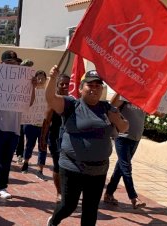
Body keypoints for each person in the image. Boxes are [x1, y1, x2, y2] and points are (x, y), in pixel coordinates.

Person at [46, 66, 129, 226]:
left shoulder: (107, 108)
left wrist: (117, 120)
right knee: (68, 206)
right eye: (90, 85)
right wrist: (52, 79)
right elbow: (51, 99)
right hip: (72, 167)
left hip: (98, 170)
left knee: (90, 210)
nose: (94, 89)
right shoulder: (71, 105)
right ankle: (54, 220)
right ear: (81, 87)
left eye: (98, 85)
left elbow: (125, 127)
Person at [0, 50, 37, 203]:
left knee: (6, 161)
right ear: (2, 64)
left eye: (15, 62)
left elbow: (29, 103)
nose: (12, 65)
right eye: (9, 62)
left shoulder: (24, 80)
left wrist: (32, 87)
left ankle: (1, 187)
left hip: (14, 128)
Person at [104, 94, 147, 209]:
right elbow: (112, 105)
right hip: (122, 136)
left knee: (120, 167)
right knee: (126, 166)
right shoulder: (126, 93)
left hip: (136, 137)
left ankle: (108, 194)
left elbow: (158, 112)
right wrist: (122, 90)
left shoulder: (146, 96)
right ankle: (133, 197)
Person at [39, 73, 70, 200]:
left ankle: (68, 189)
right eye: (61, 84)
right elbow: (46, 121)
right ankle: (59, 192)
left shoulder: (75, 101)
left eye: (67, 84)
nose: (64, 86)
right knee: (58, 165)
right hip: (56, 138)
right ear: (57, 86)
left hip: (70, 139)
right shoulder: (53, 101)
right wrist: (42, 139)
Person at [20, 70, 49, 180]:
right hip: (30, 123)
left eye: (43, 78)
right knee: (29, 145)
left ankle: (40, 169)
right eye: (38, 78)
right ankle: (26, 163)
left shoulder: (48, 93)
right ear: (35, 79)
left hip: (43, 125)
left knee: (42, 147)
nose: (40, 80)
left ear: (46, 80)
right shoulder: (29, 92)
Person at [15, 59, 35, 164]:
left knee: (27, 134)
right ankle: (19, 154)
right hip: (18, 110)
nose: (28, 69)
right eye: (26, 66)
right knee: (20, 134)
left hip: (29, 111)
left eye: (30, 67)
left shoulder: (33, 79)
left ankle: (24, 154)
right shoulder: (17, 78)